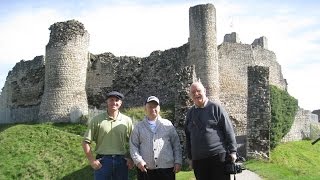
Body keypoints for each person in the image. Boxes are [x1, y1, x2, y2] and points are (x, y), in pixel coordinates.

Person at [185, 82, 237, 180]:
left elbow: (228, 130)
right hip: (198, 161)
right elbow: (188, 137)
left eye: (198, 91)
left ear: (204, 91)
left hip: (218, 158)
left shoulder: (216, 108)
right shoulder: (190, 113)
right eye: (193, 92)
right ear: (191, 95)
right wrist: (190, 158)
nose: (196, 94)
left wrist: (233, 151)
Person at [82, 91, 134, 180]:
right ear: (107, 102)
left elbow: (134, 141)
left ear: (120, 103)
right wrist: (92, 161)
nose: (114, 102)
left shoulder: (127, 120)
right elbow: (85, 142)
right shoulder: (96, 120)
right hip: (102, 162)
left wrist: (131, 159)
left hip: (121, 162)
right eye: (111, 100)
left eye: (117, 100)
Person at [130, 96, 182, 180]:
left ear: (159, 108)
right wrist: (138, 161)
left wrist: (178, 161)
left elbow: (176, 145)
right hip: (145, 169)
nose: (153, 109)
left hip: (166, 169)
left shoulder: (168, 124)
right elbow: (133, 146)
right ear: (145, 108)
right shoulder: (138, 127)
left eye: (155, 106)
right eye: (150, 106)